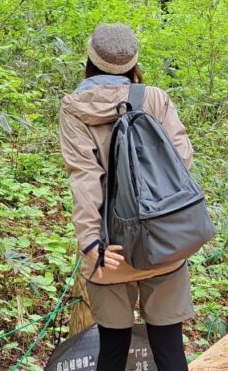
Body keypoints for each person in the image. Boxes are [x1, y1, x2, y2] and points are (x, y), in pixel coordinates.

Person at [59, 23, 194, 371]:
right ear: (133, 61)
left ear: (90, 58)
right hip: (163, 239)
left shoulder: (75, 109)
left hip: (110, 247)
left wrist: (91, 241)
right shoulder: (154, 98)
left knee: (112, 350)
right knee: (169, 348)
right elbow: (181, 161)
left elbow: (85, 177)